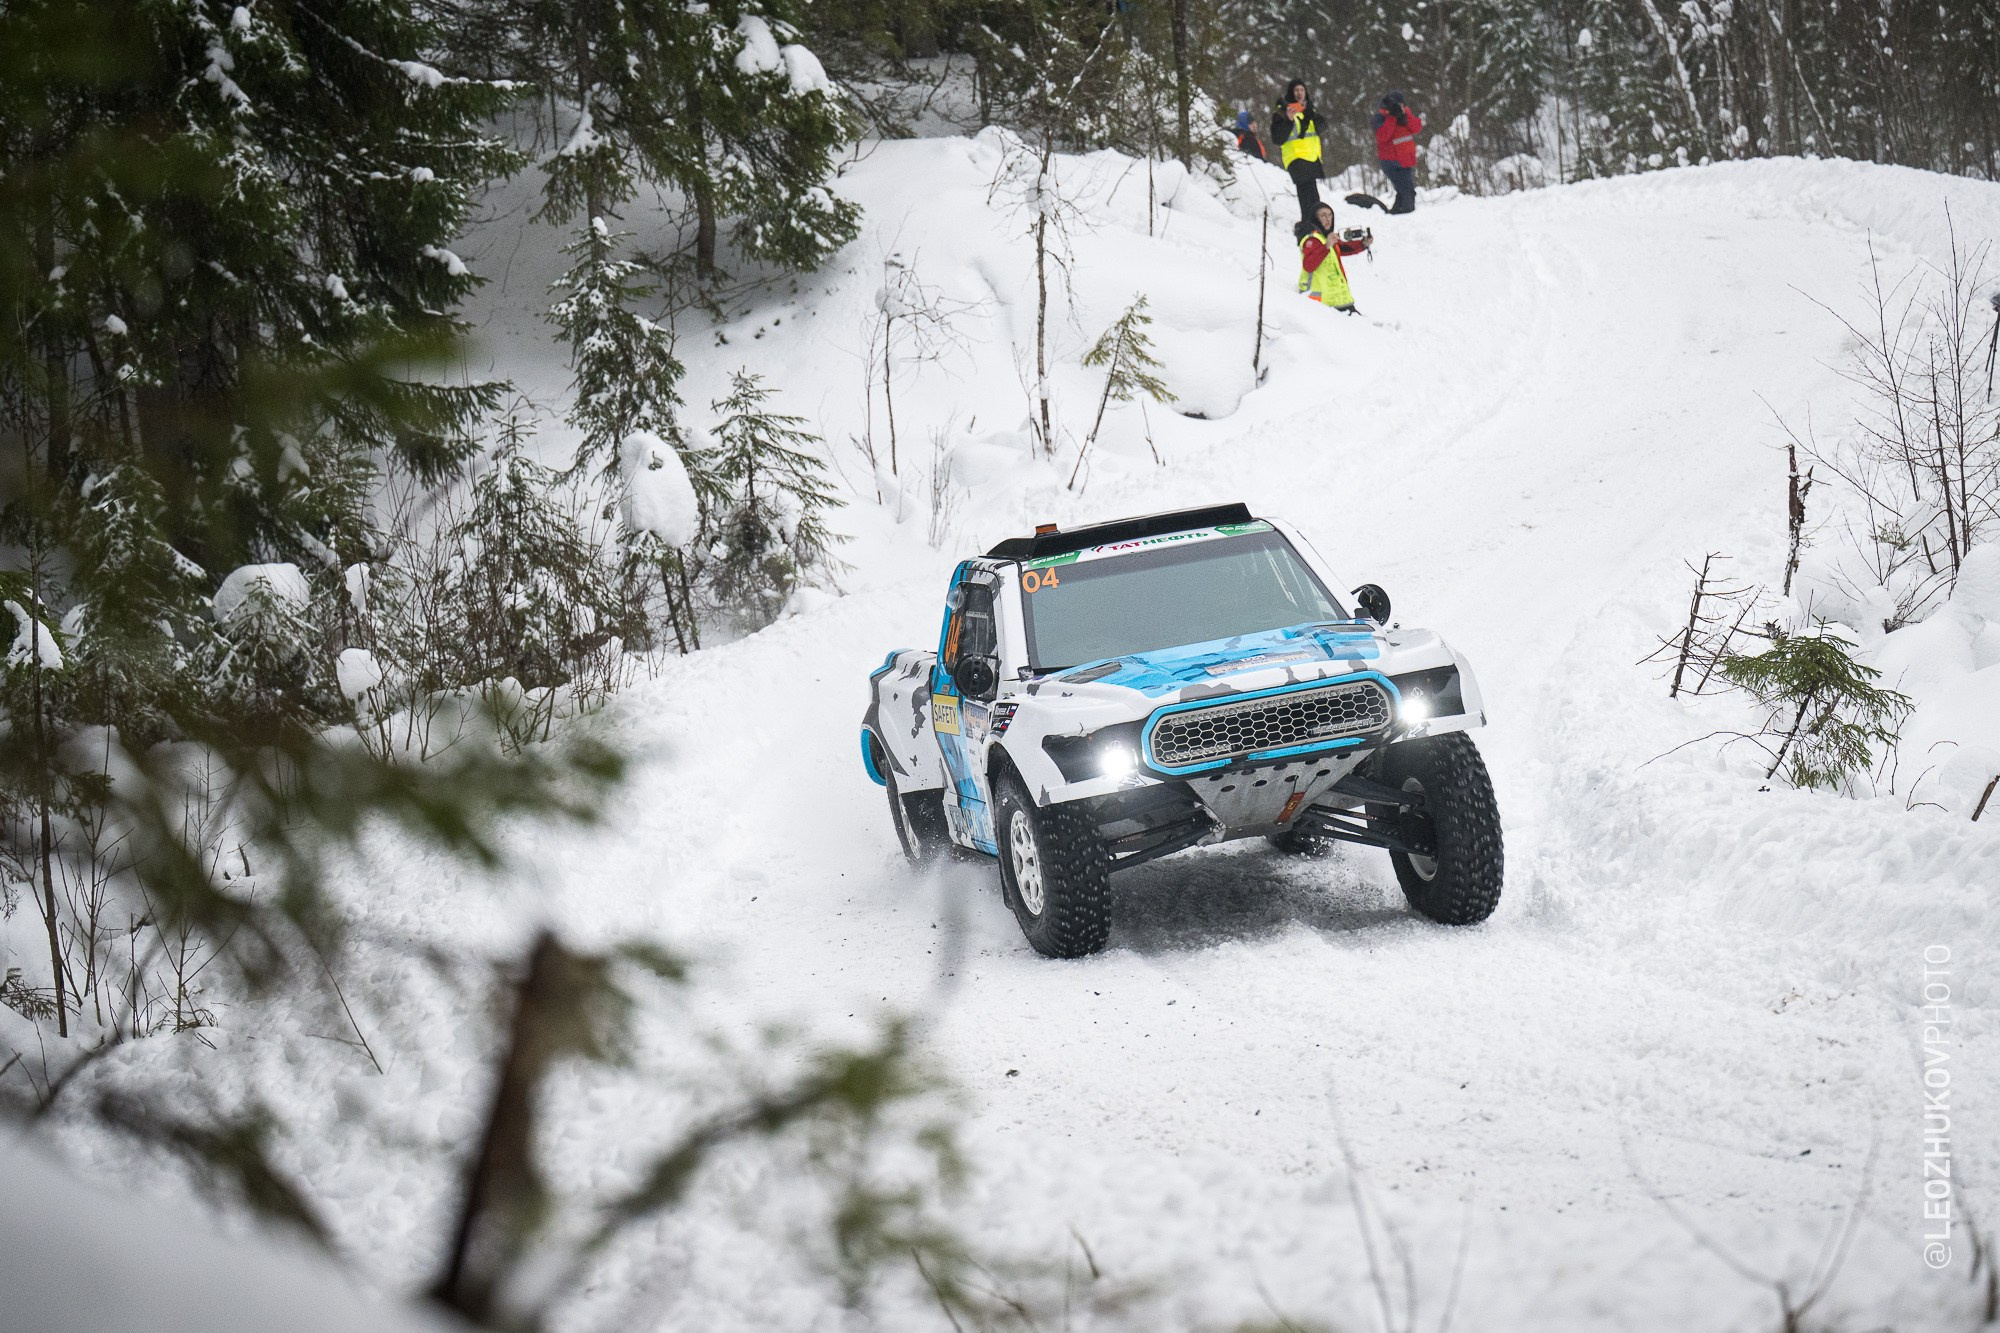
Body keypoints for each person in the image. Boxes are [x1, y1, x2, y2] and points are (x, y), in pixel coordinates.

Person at [1297, 201, 1370, 313]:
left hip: (1341, 301)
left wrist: (1363, 244)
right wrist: (1326, 246)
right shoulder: (1311, 239)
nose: (1328, 219)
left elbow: (1345, 248)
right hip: (1320, 305)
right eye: (1323, 215)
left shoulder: (1327, 238)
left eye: (1330, 215)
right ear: (1315, 218)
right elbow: (1309, 265)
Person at [1269, 79, 1324, 226]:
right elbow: (1277, 138)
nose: (1299, 94)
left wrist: (1311, 114)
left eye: (1302, 90)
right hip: (1296, 157)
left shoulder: (1309, 110)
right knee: (1306, 193)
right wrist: (1288, 120)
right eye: (1296, 90)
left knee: (1313, 193)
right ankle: (1309, 223)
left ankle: (1315, 223)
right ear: (1291, 93)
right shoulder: (1281, 111)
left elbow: (1323, 127)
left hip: (1311, 157)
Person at [1371, 91, 1423, 214]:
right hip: (1390, 162)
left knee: (1404, 191)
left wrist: (1406, 113)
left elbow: (1416, 127)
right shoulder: (1380, 117)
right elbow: (1382, 136)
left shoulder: (1405, 114)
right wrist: (1392, 117)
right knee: (1407, 192)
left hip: (1406, 160)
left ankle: (1395, 214)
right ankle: (1405, 214)